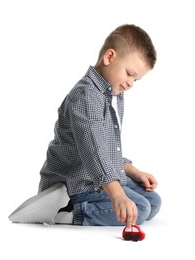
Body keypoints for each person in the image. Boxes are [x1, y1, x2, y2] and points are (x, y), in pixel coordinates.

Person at [31, 24, 161, 227]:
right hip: (73, 186)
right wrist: (117, 195)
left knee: (152, 201)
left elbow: (107, 149)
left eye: (136, 79)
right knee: (141, 209)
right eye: (129, 73)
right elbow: (95, 152)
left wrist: (134, 172)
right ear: (109, 57)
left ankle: (103, 200)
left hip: (94, 178)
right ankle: (68, 213)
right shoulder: (86, 97)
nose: (131, 83)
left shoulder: (108, 95)